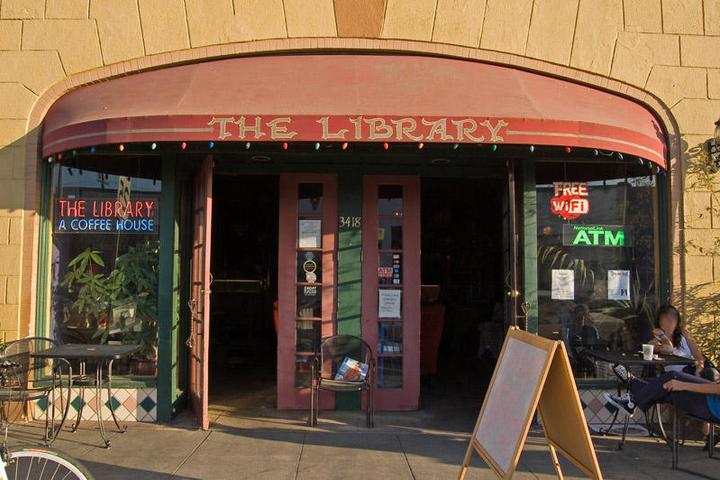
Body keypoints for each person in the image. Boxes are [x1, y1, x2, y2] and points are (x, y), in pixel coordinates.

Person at [604, 364, 720, 449]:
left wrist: (682, 385)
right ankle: (632, 390)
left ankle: (632, 391)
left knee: (671, 381)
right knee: (665, 387)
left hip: (711, 407)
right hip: (712, 399)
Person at [648, 305, 704, 375]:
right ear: (659, 322)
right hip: (672, 377)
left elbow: (698, 356)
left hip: (689, 372)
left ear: (677, 321)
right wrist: (662, 335)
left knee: (711, 374)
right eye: (666, 320)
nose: (670, 323)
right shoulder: (656, 340)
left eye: (673, 319)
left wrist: (698, 370)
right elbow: (669, 349)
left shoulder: (684, 335)